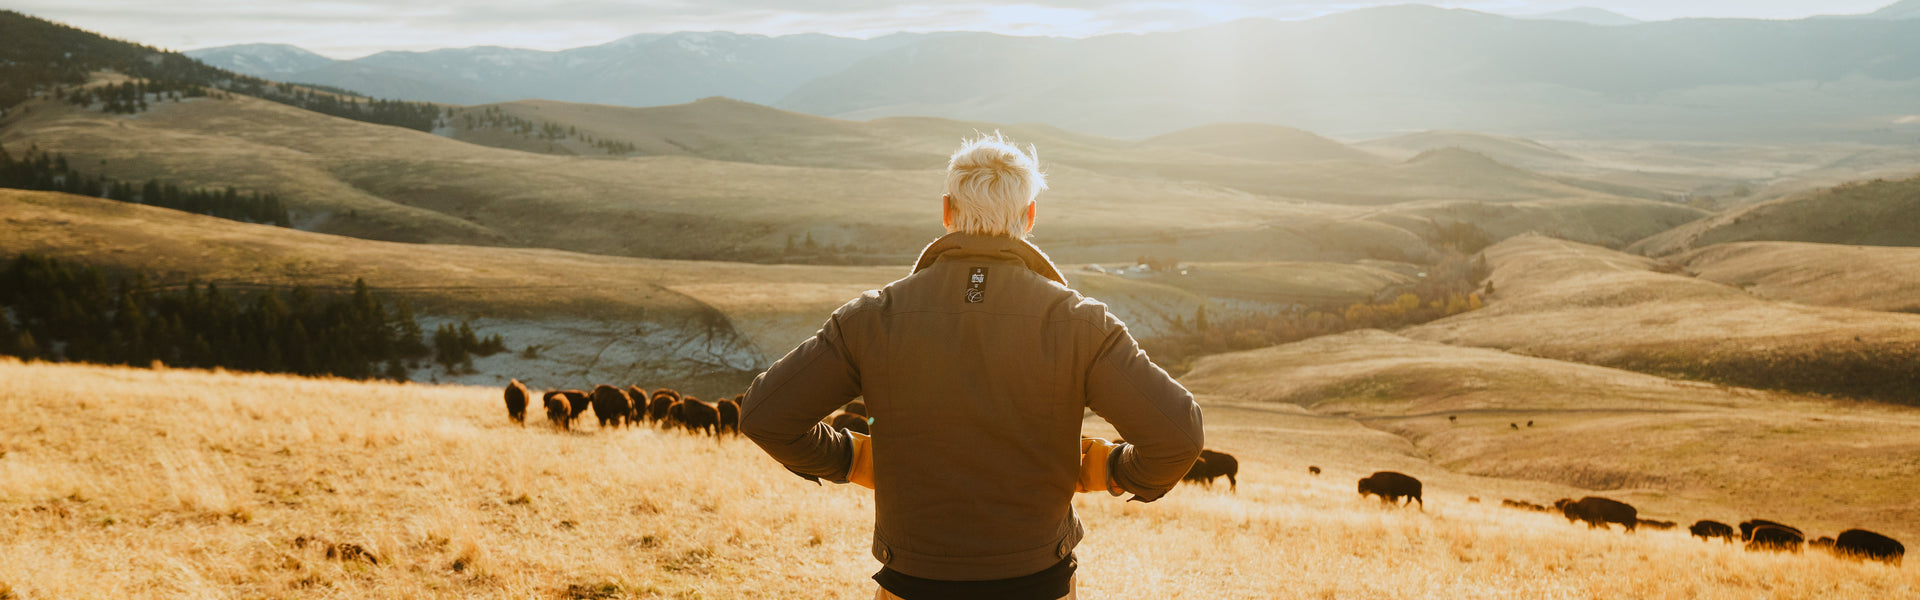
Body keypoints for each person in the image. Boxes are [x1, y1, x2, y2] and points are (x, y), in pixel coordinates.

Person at [739, 132, 1204, 600]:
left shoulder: (872, 317)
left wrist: (852, 458)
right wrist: (1110, 468)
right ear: (1029, 216)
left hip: (912, 583)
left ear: (946, 212)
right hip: (1038, 580)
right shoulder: (1080, 322)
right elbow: (1178, 436)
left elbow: (765, 415)